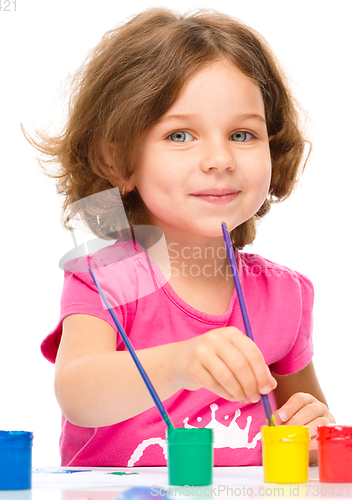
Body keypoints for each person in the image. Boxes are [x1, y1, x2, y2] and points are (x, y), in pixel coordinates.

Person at [31, 7, 335, 467]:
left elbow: (312, 429)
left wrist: (313, 434)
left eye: (242, 133)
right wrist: (178, 364)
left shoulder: (284, 297)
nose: (219, 159)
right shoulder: (108, 278)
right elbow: (77, 392)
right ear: (118, 161)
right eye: (179, 135)